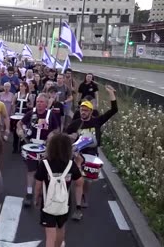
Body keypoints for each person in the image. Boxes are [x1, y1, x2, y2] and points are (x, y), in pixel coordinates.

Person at [66, 85, 118, 218]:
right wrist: (70, 137)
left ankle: (84, 195)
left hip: (91, 154)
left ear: (90, 111)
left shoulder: (97, 121)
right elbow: (64, 135)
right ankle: (75, 205)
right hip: (77, 154)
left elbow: (114, 110)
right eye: (81, 110)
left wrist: (111, 94)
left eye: (85, 110)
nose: (83, 112)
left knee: (87, 181)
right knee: (76, 179)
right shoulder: (76, 123)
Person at [34, 133, 83, 247]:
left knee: (50, 235)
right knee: (61, 228)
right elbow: (80, 182)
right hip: (64, 203)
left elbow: (38, 184)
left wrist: (36, 198)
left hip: (48, 203)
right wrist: (79, 165)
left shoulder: (45, 163)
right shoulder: (71, 164)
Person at [16, 93, 60, 207]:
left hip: (46, 148)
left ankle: (44, 194)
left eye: (41, 102)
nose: (39, 104)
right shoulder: (31, 113)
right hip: (31, 146)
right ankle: (29, 194)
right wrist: (20, 130)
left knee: (46, 172)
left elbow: (57, 129)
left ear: (46, 104)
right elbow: (19, 123)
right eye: (37, 102)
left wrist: (52, 134)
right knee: (31, 171)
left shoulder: (51, 115)